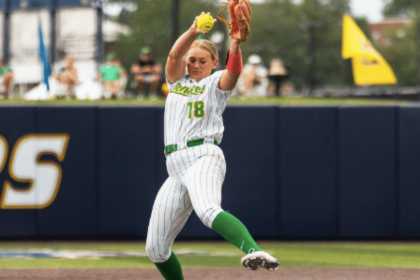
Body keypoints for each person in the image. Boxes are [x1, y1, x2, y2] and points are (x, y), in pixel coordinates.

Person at [145, 12, 279, 280]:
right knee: (155, 250)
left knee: (207, 210)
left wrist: (236, 44)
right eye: (191, 60)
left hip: (203, 155)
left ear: (213, 63)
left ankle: (255, 251)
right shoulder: (176, 82)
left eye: (201, 61)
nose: (195, 65)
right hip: (175, 167)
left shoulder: (214, 83)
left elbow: (233, 72)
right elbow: (173, 57)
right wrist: (194, 30)